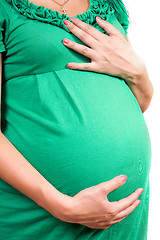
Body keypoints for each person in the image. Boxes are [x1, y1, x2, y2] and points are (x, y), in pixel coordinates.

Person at [0, 0, 153, 239]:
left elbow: (139, 101)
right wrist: (62, 206)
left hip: (126, 216)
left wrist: (139, 72)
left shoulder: (108, 5)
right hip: (42, 214)